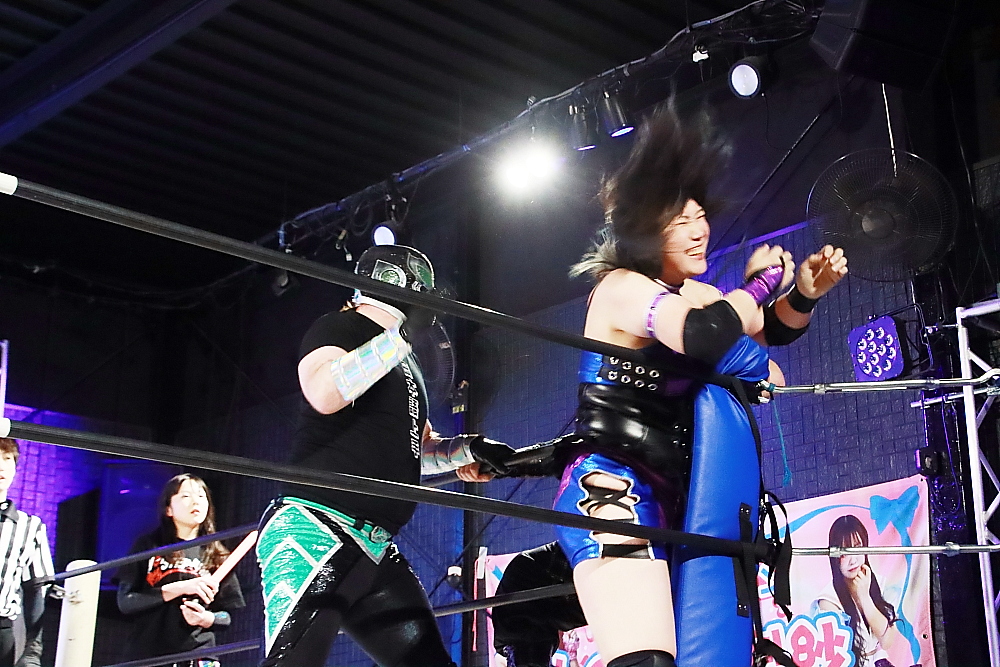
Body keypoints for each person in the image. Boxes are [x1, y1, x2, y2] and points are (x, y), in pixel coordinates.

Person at [550, 102, 848, 667]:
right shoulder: (622, 288)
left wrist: (803, 295)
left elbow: (764, 340)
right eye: (679, 220)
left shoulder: (694, 297)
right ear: (644, 229)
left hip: (678, 498)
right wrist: (759, 285)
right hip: (612, 489)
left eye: (700, 215)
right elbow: (707, 335)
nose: (699, 230)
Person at [257, 244, 514, 667]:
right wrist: (399, 339)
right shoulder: (340, 326)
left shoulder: (405, 361)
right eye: (423, 287)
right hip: (315, 527)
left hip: (375, 549)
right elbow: (323, 392)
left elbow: (413, 450)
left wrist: (470, 449)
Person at [117, 473, 245, 666]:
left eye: (201, 496)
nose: (196, 501)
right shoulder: (149, 546)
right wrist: (181, 588)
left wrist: (206, 618)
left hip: (199, 654)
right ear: (168, 509)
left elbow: (228, 615)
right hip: (148, 653)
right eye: (186, 496)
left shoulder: (217, 554)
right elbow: (126, 602)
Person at [813, 515, 904, 667]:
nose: (853, 560)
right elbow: (836, 655)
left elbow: (887, 641)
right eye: (844, 553)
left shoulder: (882, 583)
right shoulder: (828, 601)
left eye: (857, 548)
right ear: (834, 557)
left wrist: (864, 597)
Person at [0, 438, 52, 667]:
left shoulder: (30, 526)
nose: (1, 466)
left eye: (7, 459)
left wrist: (33, 650)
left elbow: (36, 589)